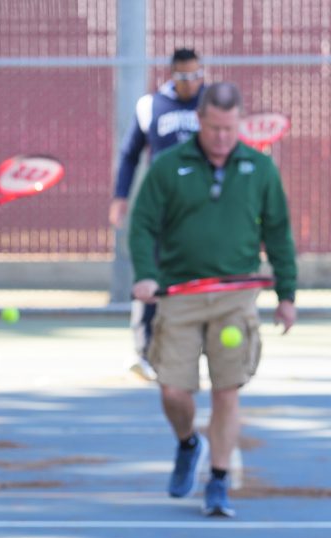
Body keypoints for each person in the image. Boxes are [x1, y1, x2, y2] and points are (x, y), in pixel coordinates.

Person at [128, 81, 296, 518]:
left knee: (227, 393)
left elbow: (277, 232)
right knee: (173, 392)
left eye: (230, 128)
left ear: (240, 123)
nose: (223, 137)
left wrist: (286, 295)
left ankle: (218, 482)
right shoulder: (168, 166)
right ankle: (188, 443)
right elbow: (142, 224)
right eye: (215, 127)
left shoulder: (260, 168)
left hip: (235, 299)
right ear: (199, 121)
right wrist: (146, 275)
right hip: (179, 296)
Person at [111, 48, 206, 380]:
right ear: (171, 75)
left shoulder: (213, 105)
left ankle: (199, 348)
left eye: (197, 75)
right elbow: (129, 155)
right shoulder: (151, 105)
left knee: (199, 275)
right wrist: (120, 197)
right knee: (149, 275)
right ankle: (145, 352)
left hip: (201, 208)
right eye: (184, 77)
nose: (191, 83)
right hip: (160, 208)